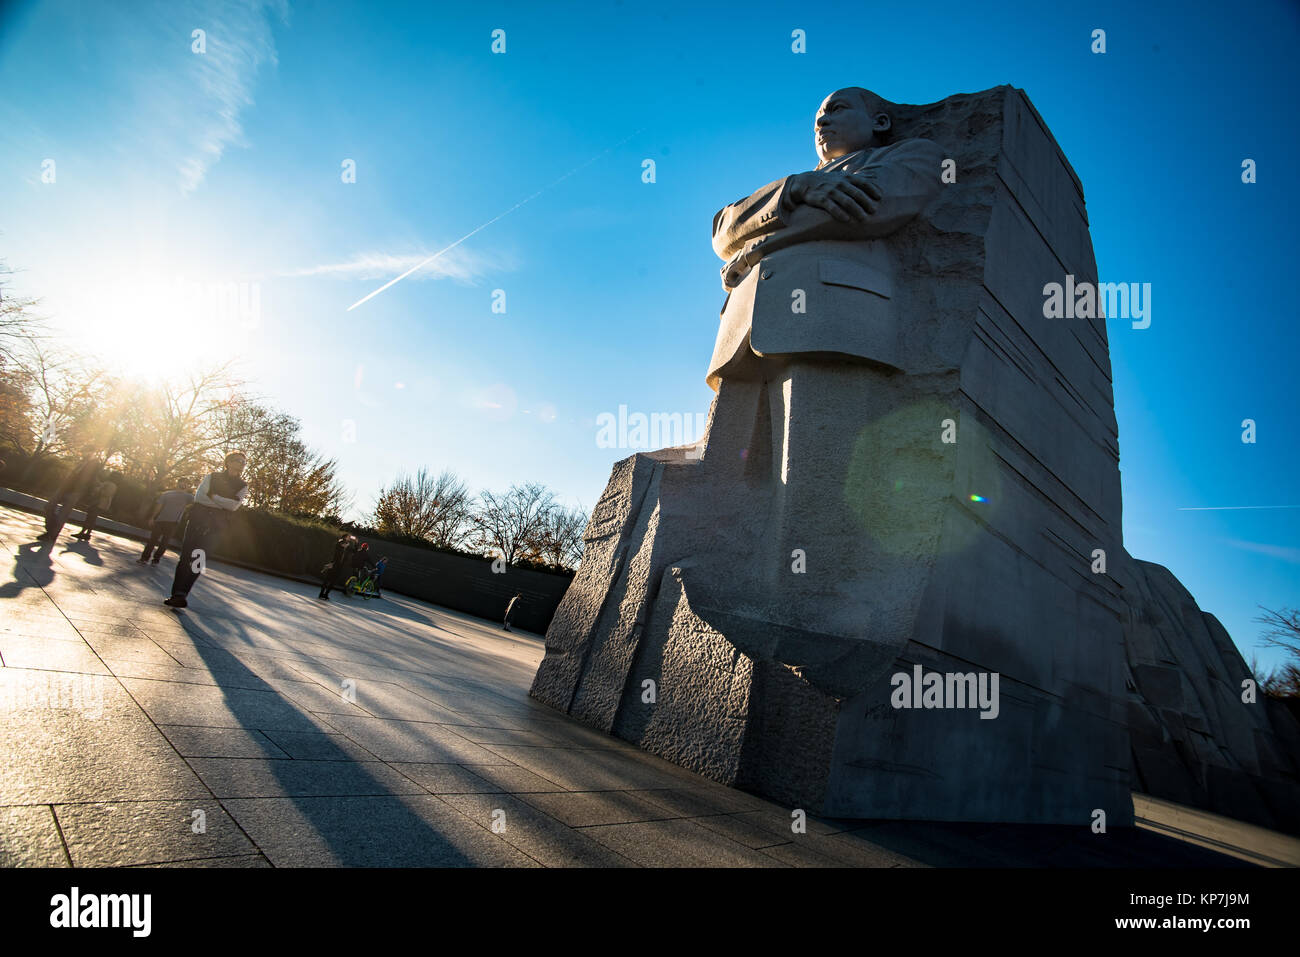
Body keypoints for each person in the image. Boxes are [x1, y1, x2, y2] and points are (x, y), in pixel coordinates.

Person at [164, 452, 248, 609]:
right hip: (197, 520)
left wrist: (214, 497)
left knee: (199, 560)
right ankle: (176, 593)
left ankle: (183, 593)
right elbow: (200, 497)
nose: (242, 464)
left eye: (244, 462)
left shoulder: (243, 485)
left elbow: (233, 506)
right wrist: (222, 503)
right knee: (185, 557)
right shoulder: (212, 476)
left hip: (216, 527)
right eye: (239, 461)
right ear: (228, 462)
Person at [37, 452, 101, 542]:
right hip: (65, 488)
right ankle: (51, 530)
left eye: (86, 450)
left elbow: (89, 480)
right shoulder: (81, 462)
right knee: (49, 506)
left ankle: (52, 534)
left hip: (76, 491)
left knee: (62, 514)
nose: (83, 452)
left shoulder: (93, 464)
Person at [137, 480, 195, 565]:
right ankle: (144, 558)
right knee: (152, 540)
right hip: (160, 520)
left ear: (188, 486)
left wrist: (188, 513)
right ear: (177, 484)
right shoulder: (167, 494)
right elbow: (158, 506)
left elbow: (197, 503)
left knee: (164, 543)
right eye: (182, 483)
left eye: (187, 484)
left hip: (174, 523)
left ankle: (156, 560)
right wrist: (152, 518)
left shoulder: (189, 497)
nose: (184, 484)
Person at [73, 476, 118, 541]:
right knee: (92, 519)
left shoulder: (109, 484)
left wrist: (99, 489)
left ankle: (84, 533)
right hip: (102, 504)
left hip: (98, 503)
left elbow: (105, 493)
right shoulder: (113, 485)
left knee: (90, 518)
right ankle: (87, 534)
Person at [318, 534, 356, 600]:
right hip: (333, 564)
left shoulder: (348, 546)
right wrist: (345, 545)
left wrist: (356, 542)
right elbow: (339, 545)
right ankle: (321, 593)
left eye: (350, 537)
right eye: (348, 537)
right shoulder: (340, 542)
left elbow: (355, 551)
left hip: (340, 566)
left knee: (333, 581)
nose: (349, 538)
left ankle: (326, 594)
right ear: (344, 537)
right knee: (327, 579)